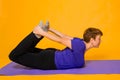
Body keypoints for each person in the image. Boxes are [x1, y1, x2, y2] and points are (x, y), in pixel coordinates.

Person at [9, 21, 103, 70]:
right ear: (92, 40)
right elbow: (60, 40)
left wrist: (50, 29)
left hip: (51, 55)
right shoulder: (80, 46)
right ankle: (36, 34)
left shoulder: (80, 42)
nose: (100, 41)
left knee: (26, 50)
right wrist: (42, 32)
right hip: (48, 61)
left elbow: (64, 36)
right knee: (14, 55)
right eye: (99, 39)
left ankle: (37, 35)